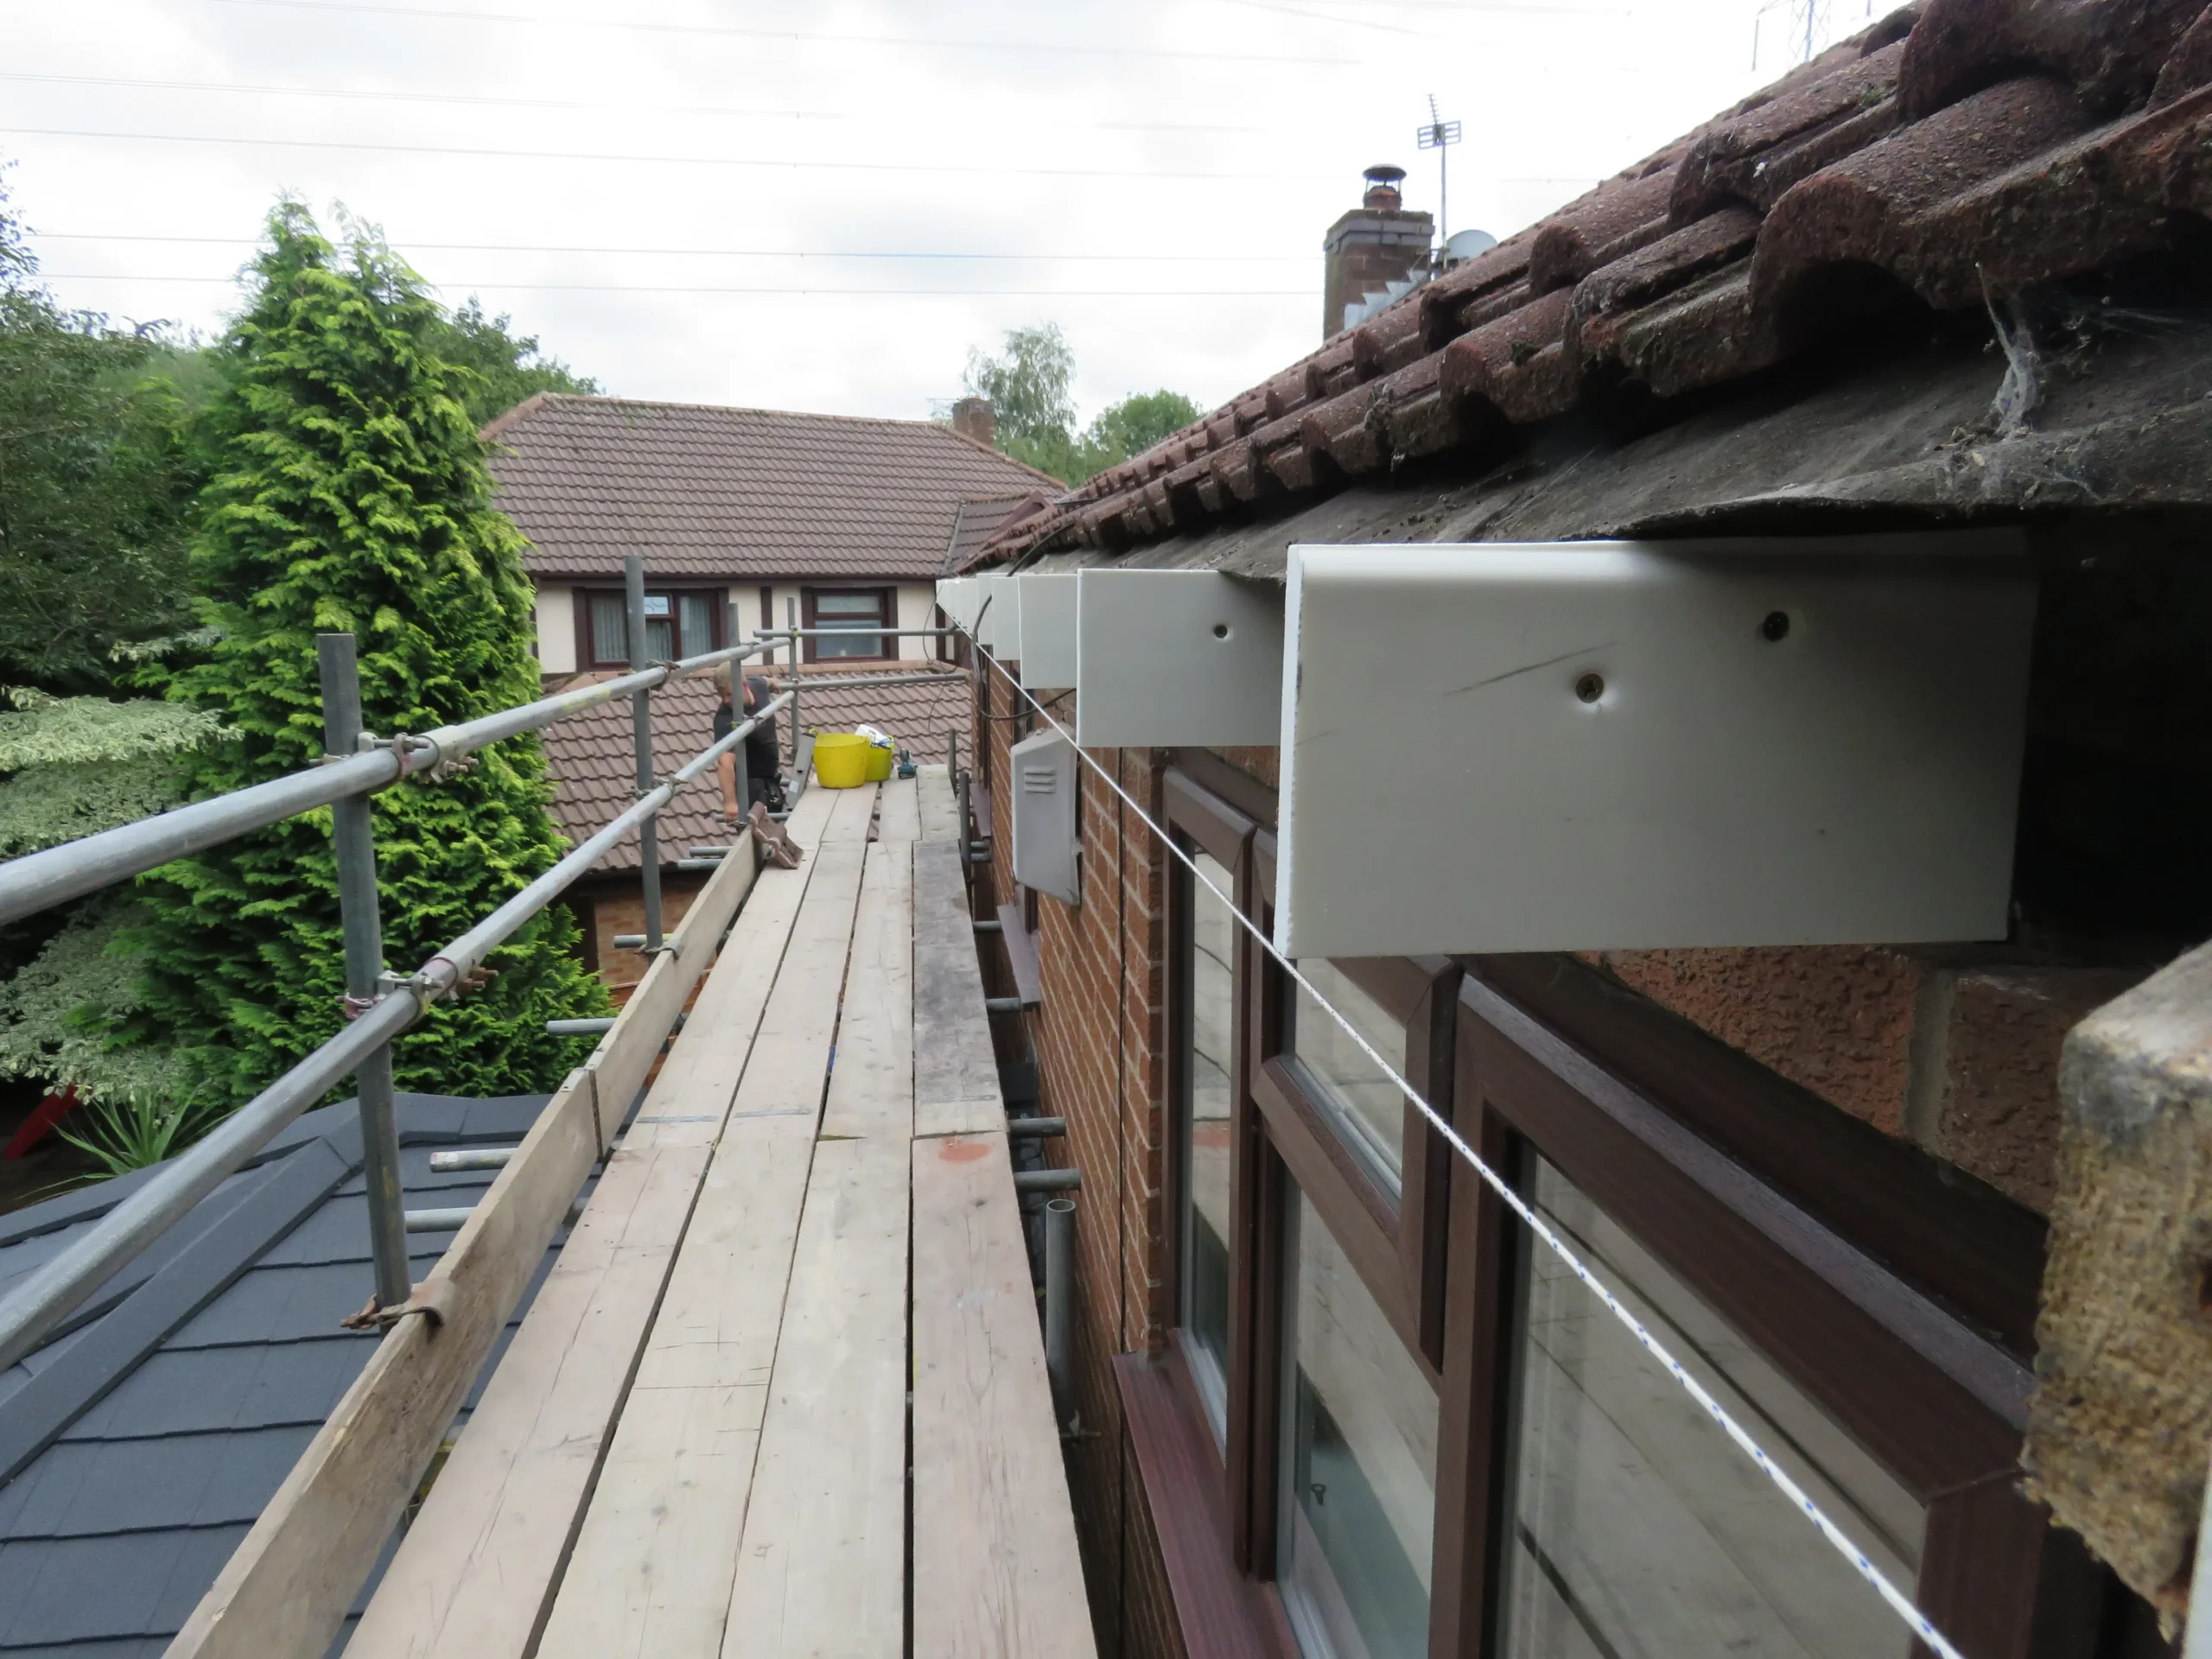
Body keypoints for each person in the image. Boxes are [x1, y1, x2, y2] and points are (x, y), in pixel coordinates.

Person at [715, 664, 785, 824]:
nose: (725, 700)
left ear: (745, 686)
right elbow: (724, 762)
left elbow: (764, 681)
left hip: (770, 780)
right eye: (722, 695)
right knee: (755, 837)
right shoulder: (726, 718)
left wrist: (773, 682)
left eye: (729, 694)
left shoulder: (757, 685)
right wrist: (730, 802)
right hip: (751, 787)